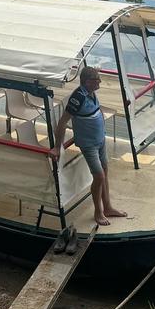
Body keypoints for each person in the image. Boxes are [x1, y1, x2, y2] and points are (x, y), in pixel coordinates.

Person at [50, 66, 127, 226]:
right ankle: (98, 212)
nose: (99, 82)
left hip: (100, 140)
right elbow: (62, 122)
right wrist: (58, 147)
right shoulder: (77, 98)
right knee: (98, 176)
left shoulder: (91, 93)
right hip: (89, 144)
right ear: (87, 82)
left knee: (105, 170)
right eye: (95, 79)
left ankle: (108, 207)